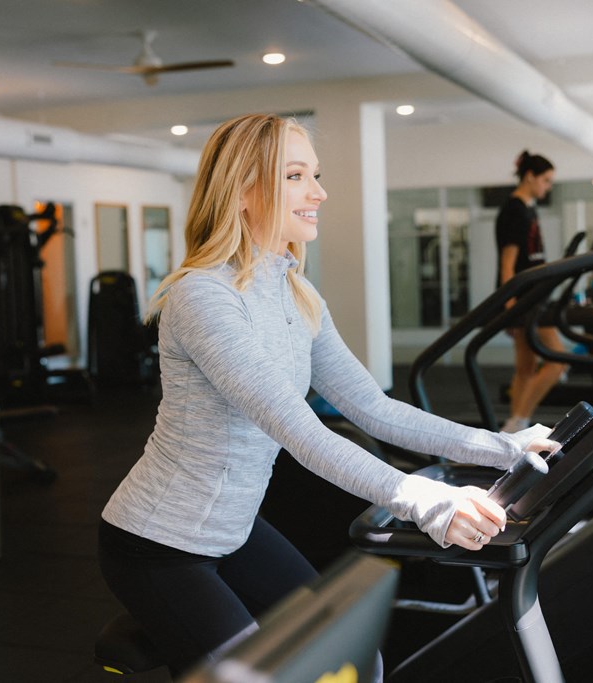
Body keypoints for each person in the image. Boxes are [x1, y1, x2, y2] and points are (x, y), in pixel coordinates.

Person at [96, 114, 558, 677]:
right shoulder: (203, 298)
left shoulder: (296, 291)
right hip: (158, 545)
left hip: (236, 531)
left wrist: (502, 448)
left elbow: (374, 408)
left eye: (314, 174)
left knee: (354, 659)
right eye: (295, 176)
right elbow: (301, 431)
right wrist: (426, 501)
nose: (319, 192)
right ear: (243, 190)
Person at [496, 150, 568, 434]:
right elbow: (508, 263)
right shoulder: (514, 210)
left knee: (526, 368)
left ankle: (514, 424)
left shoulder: (528, 208)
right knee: (557, 362)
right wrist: (510, 306)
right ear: (530, 176)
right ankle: (520, 421)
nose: (548, 187)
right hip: (526, 300)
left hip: (535, 296)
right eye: (546, 180)